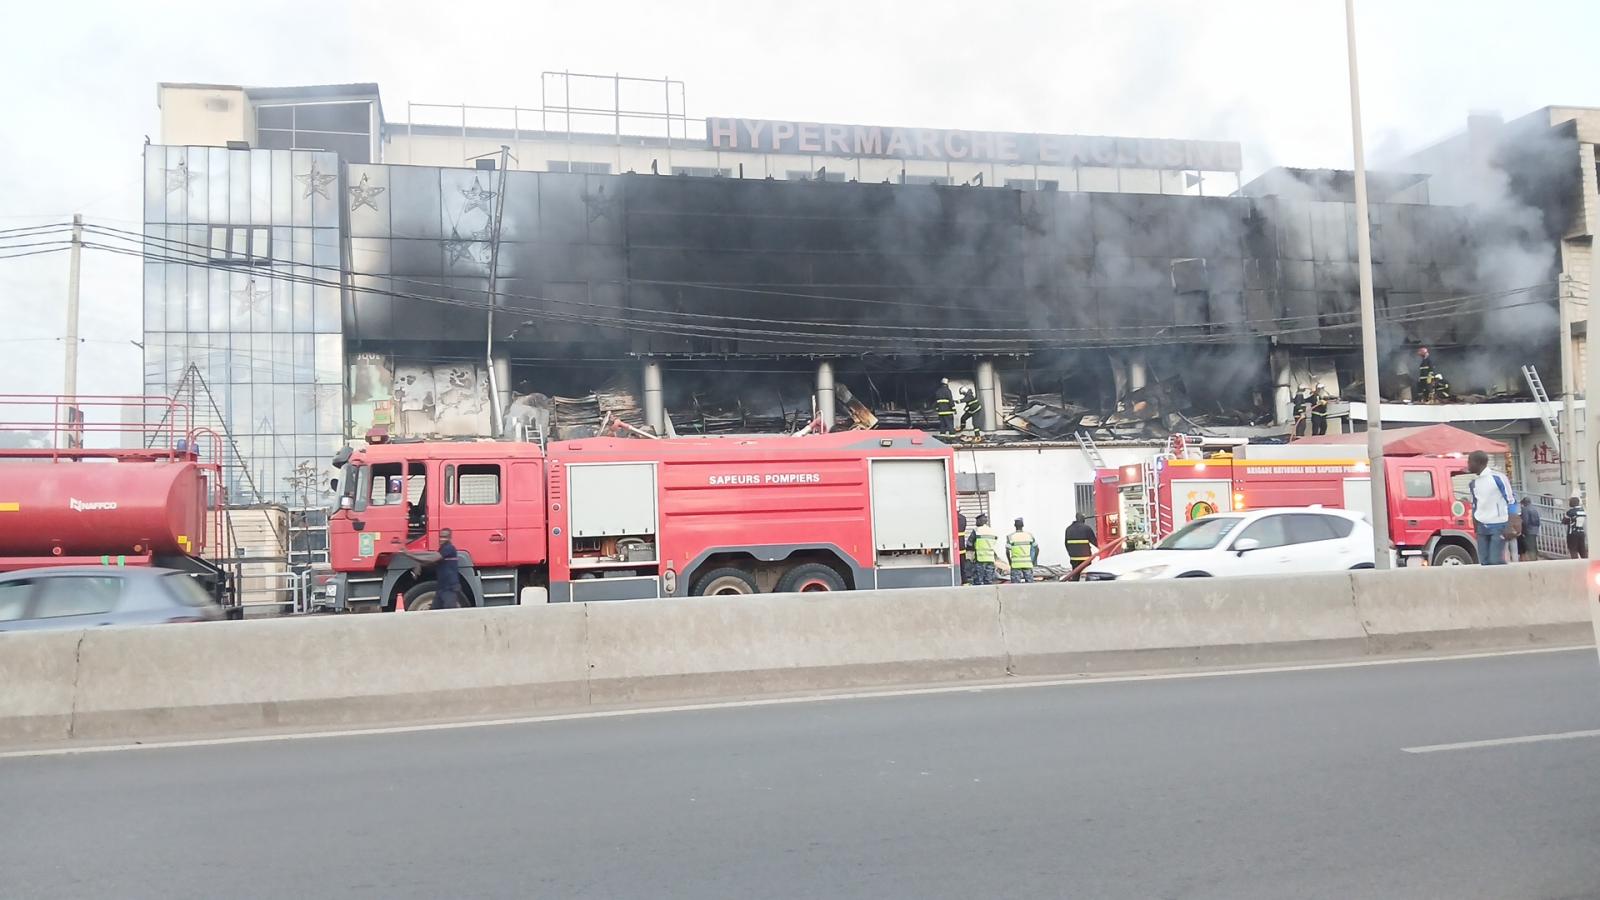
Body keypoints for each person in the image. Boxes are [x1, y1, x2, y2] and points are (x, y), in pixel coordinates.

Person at [1466, 450, 1519, 566]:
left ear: (1478, 462)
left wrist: (1510, 525)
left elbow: (1511, 500)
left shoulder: (1498, 477)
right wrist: (1475, 525)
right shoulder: (1474, 483)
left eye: (1469, 462)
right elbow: (1475, 504)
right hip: (1482, 527)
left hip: (1499, 524)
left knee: (1495, 560)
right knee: (1484, 562)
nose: (1467, 465)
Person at [434, 528, 462, 609]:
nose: (441, 539)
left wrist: (411, 555)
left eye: (445, 537)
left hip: (450, 588)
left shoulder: (449, 548)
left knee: (449, 613)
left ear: (449, 538)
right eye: (440, 537)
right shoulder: (442, 549)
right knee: (433, 612)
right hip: (442, 588)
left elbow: (433, 558)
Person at [1064, 514, 1099, 578]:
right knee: (1089, 576)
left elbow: (1066, 544)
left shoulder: (1068, 529)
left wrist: (1071, 554)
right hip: (1085, 559)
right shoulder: (1086, 528)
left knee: (1075, 576)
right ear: (1083, 519)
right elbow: (1095, 542)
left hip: (1074, 558)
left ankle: (1074, 586)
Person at [969, 514, 999, 585]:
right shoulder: (992, 531)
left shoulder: (976, 530)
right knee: (988, 581)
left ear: (980, 521)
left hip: (980, 559)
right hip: (990, 559)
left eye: (976, 521)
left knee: (978, 581)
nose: (975, 523)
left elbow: (969, 543)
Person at [1006, 518, 1039, 584]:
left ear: (1014, 525)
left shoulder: (1010, 536)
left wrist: (1010, 562)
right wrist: (1034, 561)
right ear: (1023, 525)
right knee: (1030, 586)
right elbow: (1037, 549)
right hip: (1028, 564)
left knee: (1015, 587)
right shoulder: (1029, 535)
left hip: (1015, 565)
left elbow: (1007, 551)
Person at [1517, 496, 1541, 561]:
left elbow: (1525, 521)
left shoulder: (1525, 509)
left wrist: (1523, 531)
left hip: (1528, 530)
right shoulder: (1534, 509)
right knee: (1534, 545)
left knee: (1530, 546)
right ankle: (1535, 558)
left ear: (1523, 503)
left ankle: (1532, 560)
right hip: (1535, 530)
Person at [958, 511, 974, 585]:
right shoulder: (963, 518)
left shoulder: (952, 517)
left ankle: (962, 580)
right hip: (961, 546)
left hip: (955, 546)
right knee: (962, 565)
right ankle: (964, 580)